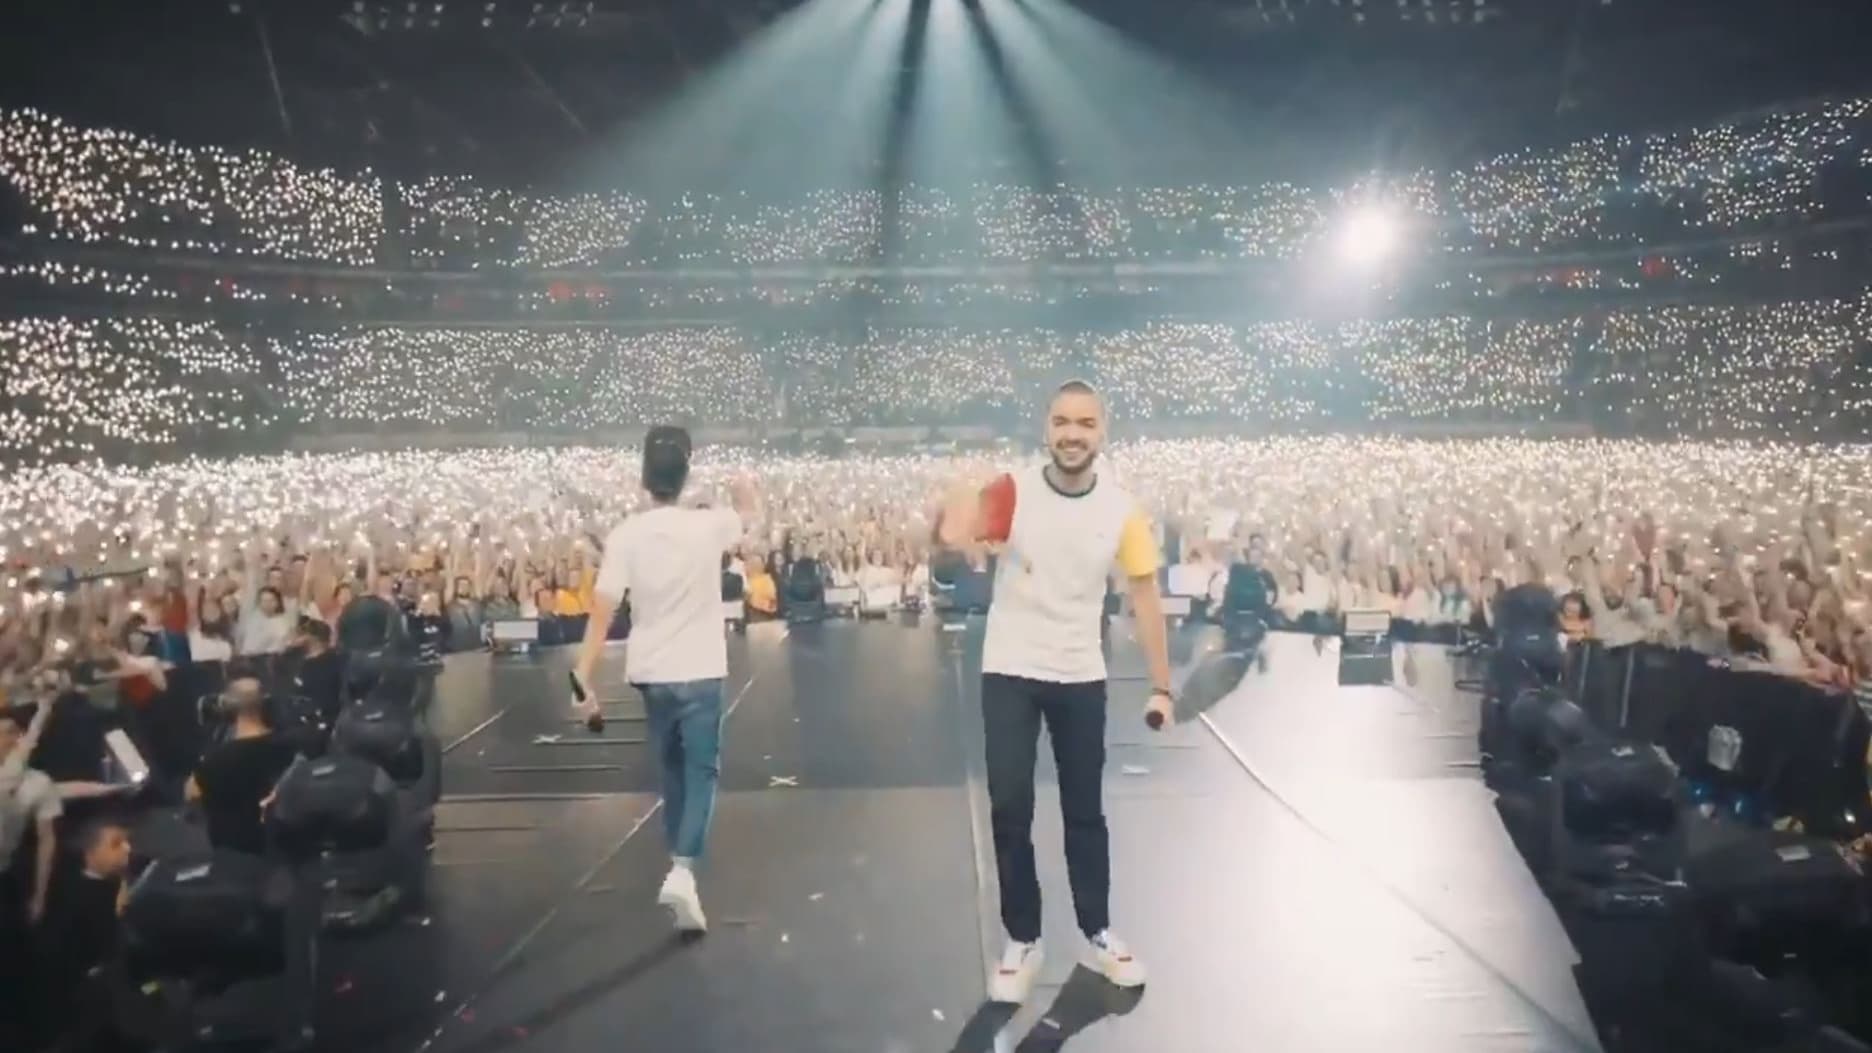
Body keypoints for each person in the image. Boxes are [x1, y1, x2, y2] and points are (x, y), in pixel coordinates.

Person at [935, 379, 1170, 1005]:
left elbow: (1144, 594)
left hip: (1080, 674)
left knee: (1084, 812)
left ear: (1102, 432)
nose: (1072, 433)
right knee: (1011, 806)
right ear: (1046, 428)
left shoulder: (1121, 509)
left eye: (1085, 423)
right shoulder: (1014, 491)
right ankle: (1023, 939)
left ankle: (1097, 932)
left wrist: (1163, 686)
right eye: (1062, 422)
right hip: (1011, 669)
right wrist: (968, 499)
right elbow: (952, 536)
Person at [572, 426, 758, 934]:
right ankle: (682, 868)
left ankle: (680, 866)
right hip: (700, 670)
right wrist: (743, 487)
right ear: (686, 473)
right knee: (702, 772)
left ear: (643, 477)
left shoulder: (626, 536)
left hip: (652, 674)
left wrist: (582, 675)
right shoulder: (707, 526)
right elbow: (747, 513)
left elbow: (602, 610)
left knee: (672, 771)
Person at [186, 677, 298, 856]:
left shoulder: (217, 759)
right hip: (284, 845)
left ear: (228, 710)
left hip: (235, 853)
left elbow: (191, 793)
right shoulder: (289, 746)